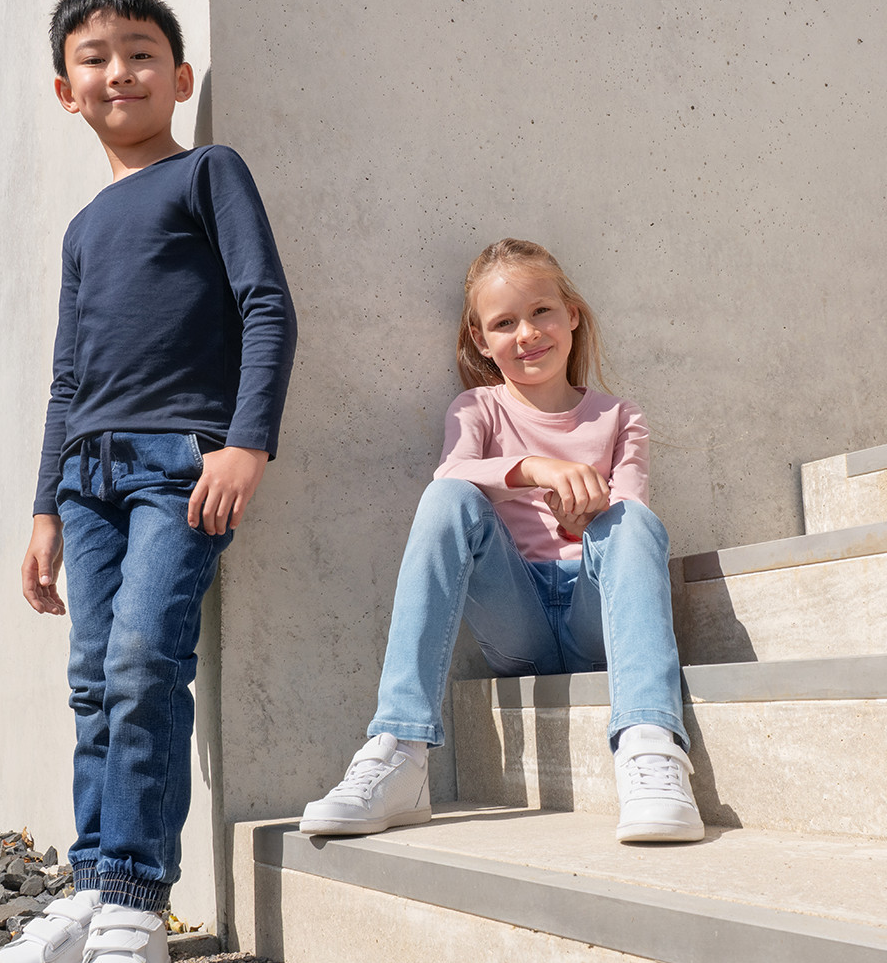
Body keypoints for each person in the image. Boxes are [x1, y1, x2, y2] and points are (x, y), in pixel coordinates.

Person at [0, 0, 296, 963]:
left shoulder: (207, 171)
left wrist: (245, 442)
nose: (119, 69)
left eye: (140, 52)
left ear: (179, 75)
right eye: (95, 56)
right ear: (65, 91)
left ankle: (133, 902)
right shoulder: (81, 229)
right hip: (87, 480)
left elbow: (264, 304)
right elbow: (67, 377)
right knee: (90, 681)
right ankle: (87, 887)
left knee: (142, 660)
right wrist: (42, 507)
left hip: (180, 466)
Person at [300, 238, 702, 845]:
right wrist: (534, 468)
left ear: (573, 314)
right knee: (447, 498)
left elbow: (632, 516)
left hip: (598, 614)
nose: (527, 333)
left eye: (541, 311)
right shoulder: (478, 409)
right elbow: (451, 474)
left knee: (636, 523)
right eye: (504, 323)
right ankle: (399, 749)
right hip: (519, 620)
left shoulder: (619, 416)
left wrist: (587, 520)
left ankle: (652, 746)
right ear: (481, 341)